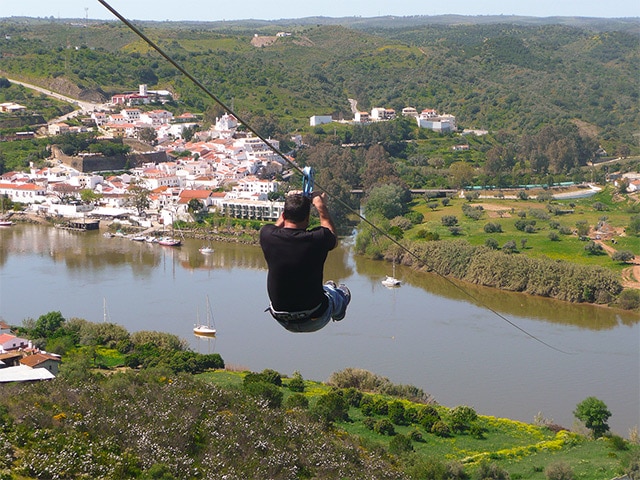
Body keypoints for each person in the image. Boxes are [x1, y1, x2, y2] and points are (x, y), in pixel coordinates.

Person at [259, 191, 351, 333]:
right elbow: (331, 235)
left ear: (283, 215)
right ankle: (338, 310)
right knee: (341, 293)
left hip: (282, 318)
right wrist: (321, 206)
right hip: (315, 316)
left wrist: (291, 201)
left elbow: (277, 226)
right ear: (308, 219)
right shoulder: (319, 238)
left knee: (324, 289)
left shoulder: (266, 235)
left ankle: (328, 289)